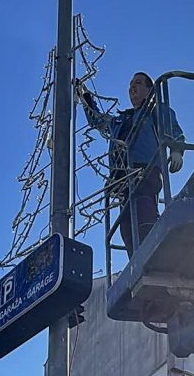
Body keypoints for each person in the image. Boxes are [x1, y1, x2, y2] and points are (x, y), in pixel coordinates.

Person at [76, 72, 185, 257]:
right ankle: (137, 261)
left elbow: (172, 128)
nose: (132, 87)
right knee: (126, 224)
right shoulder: (121, 119)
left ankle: (154, 254)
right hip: (123, 178)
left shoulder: (154, 110)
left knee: (144, 212)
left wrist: (177, 149)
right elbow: (98, 120)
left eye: (138, 83)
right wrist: (84, 95)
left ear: (149, 90)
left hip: (145, 170)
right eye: (131, 84)